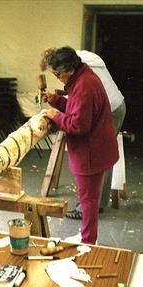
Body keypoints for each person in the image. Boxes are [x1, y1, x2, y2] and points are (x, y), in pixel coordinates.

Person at [39, 46, 119, 244]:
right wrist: (56, 100)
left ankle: (88, 242)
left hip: (92, 151)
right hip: (94, 148)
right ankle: (87, 236)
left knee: (88, 200)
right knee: (88, 197)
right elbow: (77, 110)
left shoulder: (84, 86)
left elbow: (78, 125)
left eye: (58, 74)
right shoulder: (82, 78)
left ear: (70, 69)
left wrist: (55, 116)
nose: (58, 78)